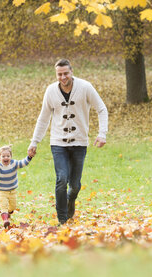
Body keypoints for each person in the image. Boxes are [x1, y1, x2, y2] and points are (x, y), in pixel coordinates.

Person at [27, 59, 108, 224]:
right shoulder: (50, 91)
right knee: (61, 179)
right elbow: (43, 118)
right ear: (56, 74)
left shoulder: (85, 87)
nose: (63, 77)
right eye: (59, 74)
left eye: (66, 73)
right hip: (58, 143)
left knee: (75, 185)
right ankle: (62, 220)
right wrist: (34, 141)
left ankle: (71, 199)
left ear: (71, 72)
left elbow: (101, 108)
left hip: (79, 142)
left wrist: (102, 134)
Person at [0, 145, 33, 228]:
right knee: (3, 205)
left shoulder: (14, 164)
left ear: (11, 157)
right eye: (3, 156)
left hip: (12, 191)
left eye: (8, 156)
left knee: (13, 207)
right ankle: (5, 220)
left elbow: (23, 163)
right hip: (2, 191)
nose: (6, 158)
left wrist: (29, 157)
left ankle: (8, 214)